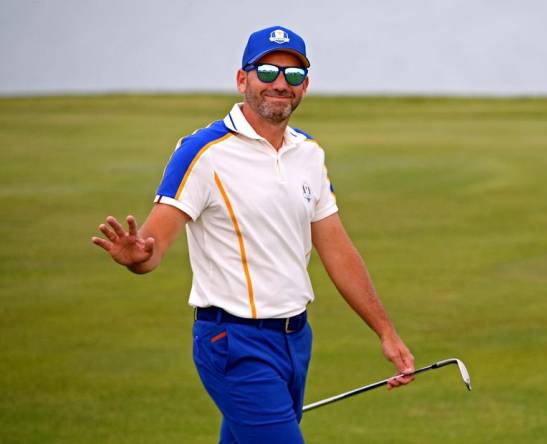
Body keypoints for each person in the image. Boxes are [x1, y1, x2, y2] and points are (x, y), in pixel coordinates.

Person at [91, 25, 415, 444]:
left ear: (305, 86)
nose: (281, 83)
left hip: (296, 341)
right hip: (233, 343)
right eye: (267, 71)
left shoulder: (309, 153)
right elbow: (152, 246)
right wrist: (137, 255)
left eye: (293, 75)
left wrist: (385, 331)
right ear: (242, 79)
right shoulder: (202, 151)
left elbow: (337, 248)